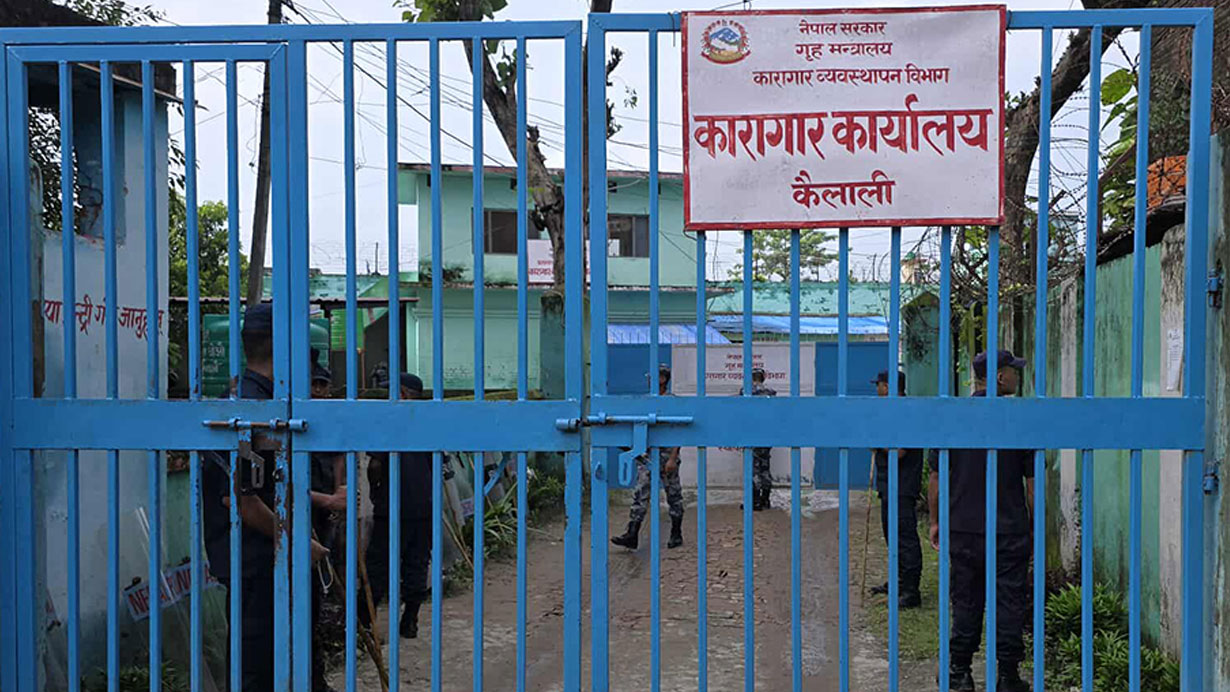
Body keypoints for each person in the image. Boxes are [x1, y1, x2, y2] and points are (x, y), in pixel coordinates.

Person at [202, 303, 329, 692]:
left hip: (271, 559)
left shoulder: (269, 402)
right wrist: (298, 542)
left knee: (292, 662)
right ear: (282, 347)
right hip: (257, 563)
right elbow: (241, 501)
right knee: (258, 670)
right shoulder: (246, 406)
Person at [928, 350, 1034, 692]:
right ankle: (1008, 676)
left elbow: (936, 477)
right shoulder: (1018, 419)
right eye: (1013, 371)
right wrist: (1032, 526)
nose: (1017, 376)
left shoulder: (954, 417)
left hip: (964, 527)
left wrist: (935, 521)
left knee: (966, 600)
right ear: (1000, 377)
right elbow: (1032, 484)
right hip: (1008, 528)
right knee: (1009, 602)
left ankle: (959, 672)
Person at [362, 373, 434, 639]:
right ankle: (410, 620)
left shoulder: (390, 421)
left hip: (392, 506)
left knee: (379, 564)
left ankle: (364, 623)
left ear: (402, 393)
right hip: (423, 505)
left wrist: (375, 491)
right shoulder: (428, 422)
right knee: (417, 563)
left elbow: (375, 464)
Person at [612, 364, 685, 550]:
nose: (649, 379)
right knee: (641, 493)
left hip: (667, 454)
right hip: (648, 454)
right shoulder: (645, 400)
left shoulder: (671, 401)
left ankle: (676, 533)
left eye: (653, 376)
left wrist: (673, 457)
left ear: (663, 379)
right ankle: (632, 534)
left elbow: (679, 430)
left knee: (673, 494)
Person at [868, 370, 923, 609]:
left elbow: (898, 452)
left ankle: (911, 590)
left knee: (904, 537)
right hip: (890, 484)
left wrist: (875, 441)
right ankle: (899, 582)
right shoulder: (893, 412)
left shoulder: (907, 413)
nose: (877, 390)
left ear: (888, 387)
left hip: (902, 484)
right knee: (892, 536)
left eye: (879, 385)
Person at [750, 366, 776, 511]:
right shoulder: (770, 392)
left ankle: (755, 501)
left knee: (754, 468)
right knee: (765, 467)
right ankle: (766, 499)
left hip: (753, 434)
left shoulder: (747, 392)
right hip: (767, 434)